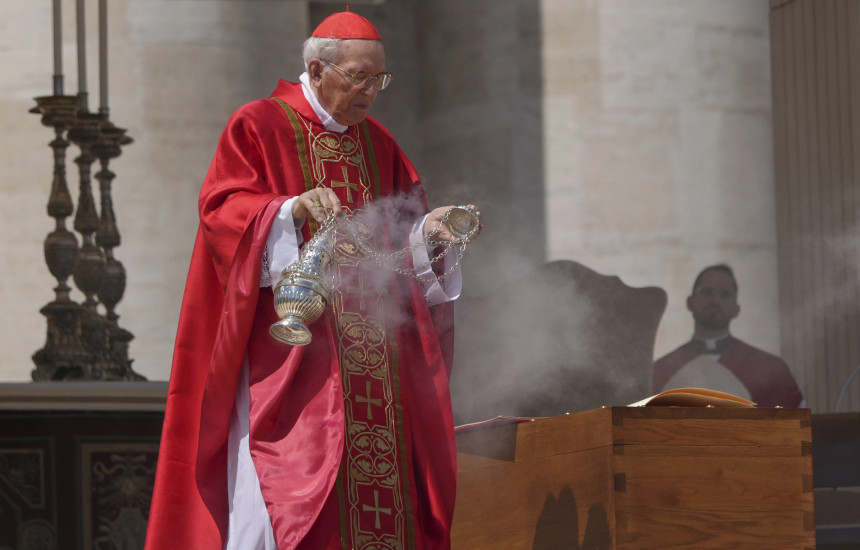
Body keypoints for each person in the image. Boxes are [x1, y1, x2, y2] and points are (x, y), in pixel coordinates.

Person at [144, 10, 480, 550]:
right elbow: (221, 215)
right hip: (293, 366)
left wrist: (429, 236)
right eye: (358, 77)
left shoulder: (381, 145)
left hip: (375, 372)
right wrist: (287, 211)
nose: (371, 91)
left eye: (380, 79)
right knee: (278, 509)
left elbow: (395, 254)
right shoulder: (259, 124)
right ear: (317, 69)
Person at [652, 264, 805, 408]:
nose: (715, 300)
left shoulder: (770, 369)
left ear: (736, 309)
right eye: (707, 291)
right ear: (690, 302)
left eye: (725, 294)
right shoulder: (661, 371)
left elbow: (794, 428)